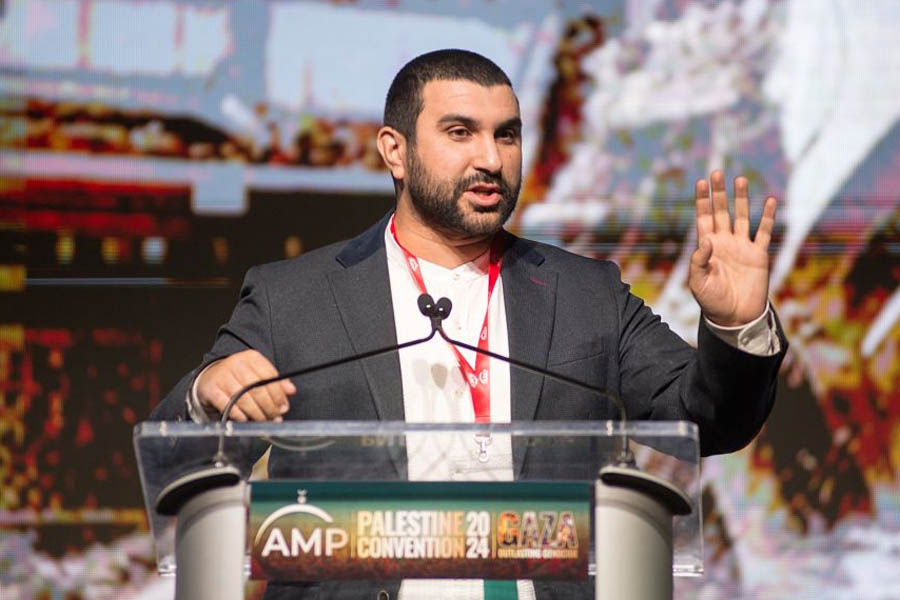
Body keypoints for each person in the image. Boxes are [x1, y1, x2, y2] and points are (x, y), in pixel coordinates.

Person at [151, 49, 786, 599]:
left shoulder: (587, 295)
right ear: (395, 151)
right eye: (461, 132)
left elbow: (708, 421)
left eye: (507, 136)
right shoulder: (296, 297)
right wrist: (208, 397)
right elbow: (178, 470)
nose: (490, 158)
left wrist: (737, 326)